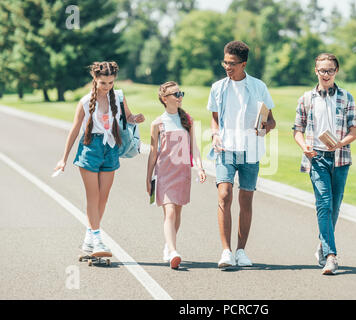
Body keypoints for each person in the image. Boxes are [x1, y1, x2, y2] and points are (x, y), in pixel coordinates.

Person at [54, 61, 145, 256]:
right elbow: (74, 130)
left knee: (103, 198)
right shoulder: (85, 102)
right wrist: (63, 158)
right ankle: (97, 239)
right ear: (95, 79)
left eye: (111, 82)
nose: (107, 87)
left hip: (111, 148)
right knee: (92, 197)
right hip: (90, 148)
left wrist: (136, 118)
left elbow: (127, 117)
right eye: (103, 83)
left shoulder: (119, 97)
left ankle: (89, 237)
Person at [207, 40, 276, 268]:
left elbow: (271, 120)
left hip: (251, 150)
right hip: (225, 148)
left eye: (232, 63)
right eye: (225, 62)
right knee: (224, 195)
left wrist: (264, 127)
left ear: (243, 64)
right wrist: (215, 134)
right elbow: (215, 118)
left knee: (246, 200)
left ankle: (241, 251)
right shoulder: (218, 88)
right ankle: (226, 251)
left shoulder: (258, 87)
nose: (227, 67)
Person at [293, 53, 356, 275]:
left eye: (330, 70)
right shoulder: (306, 98)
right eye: (322, 70)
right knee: (323, 204)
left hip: (340, 158)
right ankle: (332, 256)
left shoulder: (347, 97)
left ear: (336, 71)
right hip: (317, 158)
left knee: (335, 206)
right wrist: (304, 147)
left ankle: (323, 244)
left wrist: (340, 143)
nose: (326, 74)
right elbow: (297, 130)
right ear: (316, 71)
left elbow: (355, 131)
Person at [146, 81, 206, 269]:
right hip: (164, 173)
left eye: (181, 93)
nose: (180, 97)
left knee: (177, 211)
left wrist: (200, 167)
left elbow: (193, 147)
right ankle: (173, 250)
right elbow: (153, 152)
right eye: (175, 94)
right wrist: (148, 178)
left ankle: (169, 244)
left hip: (182, 173)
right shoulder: (157, 123)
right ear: (164, 99)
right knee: (169, 211)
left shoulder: (187, 119)